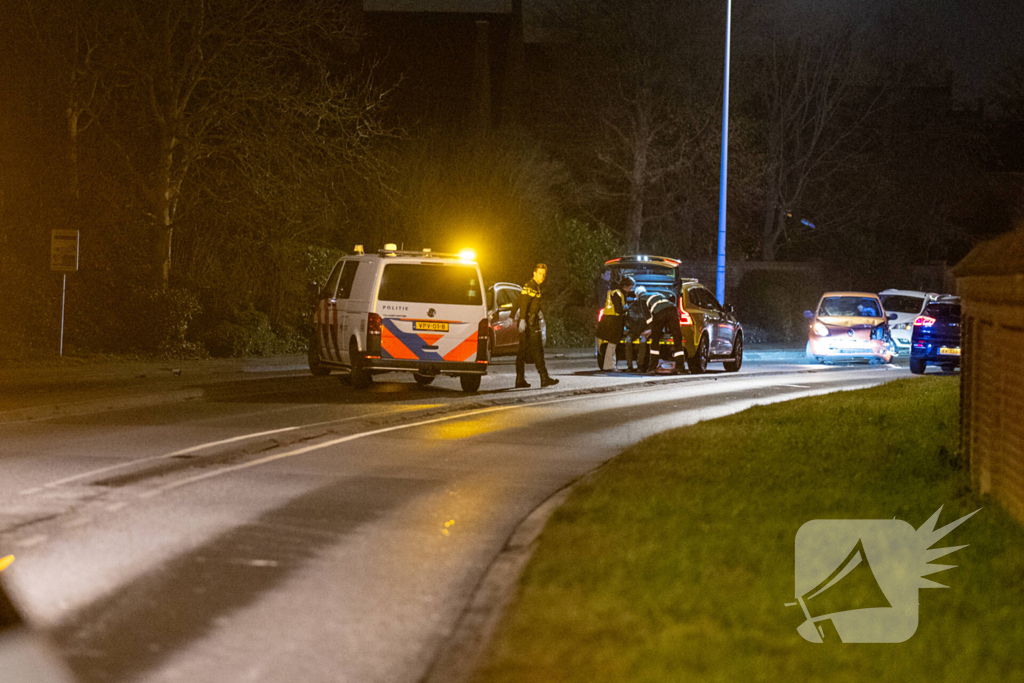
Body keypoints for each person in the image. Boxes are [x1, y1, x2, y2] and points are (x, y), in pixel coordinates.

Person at [511, 263, 559, 388]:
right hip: (531, 324)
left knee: (522, 351)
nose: (542, 276)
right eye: (539, 273)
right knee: (538, 351)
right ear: (534, 273)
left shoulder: (529, 286)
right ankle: (544, 378)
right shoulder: (532, 286)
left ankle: (519, 379)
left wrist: (512, 317)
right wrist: (522, 319)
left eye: (544, 274)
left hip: (527, 322)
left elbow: (518, 301)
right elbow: (524, 303)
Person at [634, 285, 686, 373]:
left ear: (637, 295)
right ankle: (680, 368)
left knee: (655, 340)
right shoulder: (657, 294)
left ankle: (652, 368)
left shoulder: (642, 299)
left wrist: (652, 330)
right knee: (677, 338)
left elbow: (647, 316)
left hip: (660, 313)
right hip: (673, 310)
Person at [595, 273, 626, 371]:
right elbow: (618, 309)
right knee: (612, 345)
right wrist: (625, 309)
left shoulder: (610, 292)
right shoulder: (617, 293)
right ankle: (610, 366)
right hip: (614, 322)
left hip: (607, 320)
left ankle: (607, 365)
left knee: (610, 345)